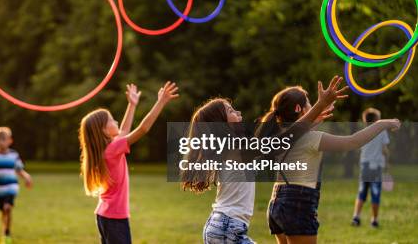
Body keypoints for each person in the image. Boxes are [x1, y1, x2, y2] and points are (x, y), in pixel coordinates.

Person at [182, 76, 347, 244]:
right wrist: (319, 105)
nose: (238, 113)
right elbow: (284, 140)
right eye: (231, 111)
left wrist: (312, 120)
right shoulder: (236, 149)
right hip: (227, 228)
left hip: (221, 226)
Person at [257, 85, 400, 244]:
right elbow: (352, 142)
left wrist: (319, 110)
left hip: (277, 203)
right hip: (297, 203)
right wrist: (382, 124)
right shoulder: (310, 139)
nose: (313, 107)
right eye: (309, 103)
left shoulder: (278, 136)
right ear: (299, 108)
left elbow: (299, 135)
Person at [79, 82, 178, 244]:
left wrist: (132, 105)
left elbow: (124, 132)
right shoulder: (112, 149)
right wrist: (161, 102)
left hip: (105, 216)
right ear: (103, 131)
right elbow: (142, 129)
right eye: (111, 120)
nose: (115, 121)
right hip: (114, 220)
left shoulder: (107, 149)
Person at [0, 126, 33, 243]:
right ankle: (5, 229)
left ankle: (6, 233)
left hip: (11, 187)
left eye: (4, 139)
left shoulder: (14, 155)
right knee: (3, 210)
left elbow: (19, 170)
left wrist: (27, 177)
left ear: (10, 141)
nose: (1, 142)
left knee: (7, 208)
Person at [351, 108, 390, 228]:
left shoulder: (363, 131)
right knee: (375, 193)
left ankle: (356, 217)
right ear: (376, 120)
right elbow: (384, 150)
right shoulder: (382, 131)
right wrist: (388, 161)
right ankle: (374, 220)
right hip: (376, 166)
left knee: (362, 192)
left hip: (365, 165)